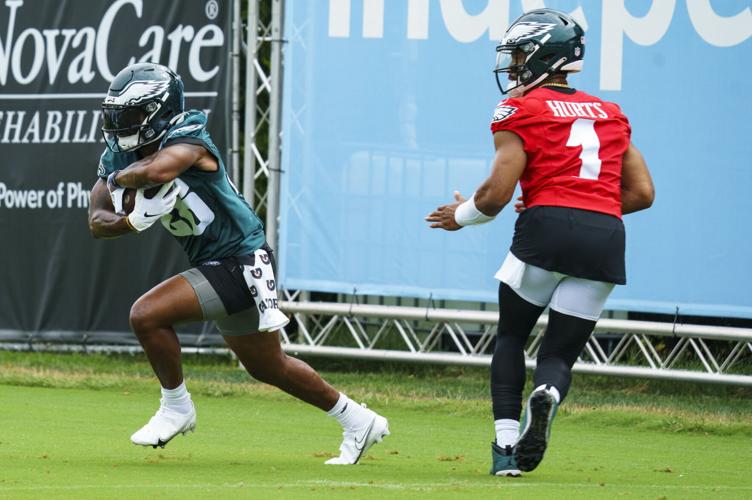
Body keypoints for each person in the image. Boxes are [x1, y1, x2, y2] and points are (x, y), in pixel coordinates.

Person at [88, 62, 389, 464]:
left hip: (241, 259)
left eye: (130, 115)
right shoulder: (122, 155)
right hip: (216, 261)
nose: (121, 125)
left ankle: (176, 407)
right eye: (117, 115)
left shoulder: (188, 134)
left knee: (146, 315)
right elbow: (96, 219)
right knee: (268, 366)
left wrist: (116, 180)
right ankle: (359, 420)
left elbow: (158, 169)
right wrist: (127, 221)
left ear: (157, 111)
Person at [425, 9, 654, 476]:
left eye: (520, 56)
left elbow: (494, 196)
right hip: (605, 235)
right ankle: (547, 395)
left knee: (511, 334)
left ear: (546, 56)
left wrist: (460, 216)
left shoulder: (521, 108)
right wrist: (586, 207)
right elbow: (643, 194)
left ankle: (506, 449)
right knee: (558, 355)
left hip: (546, 227)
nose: (513, 68)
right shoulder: (611, 113)